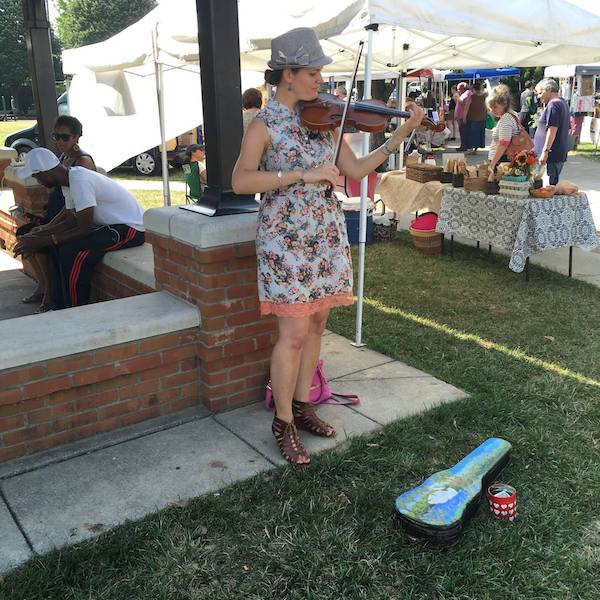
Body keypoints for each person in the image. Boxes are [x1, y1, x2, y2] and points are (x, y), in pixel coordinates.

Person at [232, 27, 424, 466]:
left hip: (324, 233)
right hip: (285, 238)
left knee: (317, 326)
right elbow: (240, 180)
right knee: (294, 333)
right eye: (313, 72)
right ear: (287, 75)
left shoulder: (323, 122)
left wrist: (402, 133)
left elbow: (355, 169)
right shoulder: (264, 124)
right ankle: (282, 421)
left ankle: (303, 408)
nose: (321, 80)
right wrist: (299, 175)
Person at [13, 148, 145, 309]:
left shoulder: (80, 180)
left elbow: (84, 229)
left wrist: (45, 239)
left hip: (130, 228)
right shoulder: (68, 181)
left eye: (36, 175)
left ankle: (75, 308)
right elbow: (70, 220)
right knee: (56, 248)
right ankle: (58, 302)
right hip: (111, 226)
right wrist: (39, 235)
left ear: (46, 172)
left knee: (72, 252)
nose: (38, 180)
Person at [18, 115, 96, 312]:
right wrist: (45, 228)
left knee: (53, 246)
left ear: (77, 137)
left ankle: (54, 295)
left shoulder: (81, 165)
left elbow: (82, 215)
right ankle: (45, 286)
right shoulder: (61, 160)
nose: (60, 141)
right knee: (28, 234)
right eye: (56, 136)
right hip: (65, 213)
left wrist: (48, 235)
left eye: (65, 137)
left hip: (79, 215)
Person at [534, 78, 570, 185]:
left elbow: (552, 131)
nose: (538, 96)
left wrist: (545, 153)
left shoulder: (553, 105)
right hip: (556, 152)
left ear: (548, 90)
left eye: (540, 93)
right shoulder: (562, 102)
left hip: (551, 155)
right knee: (551, 184)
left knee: (548, 187)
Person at [486, 84, 521, 173]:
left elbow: (503, 143)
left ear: (504, 104)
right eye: (491, 108)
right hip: (505, 159)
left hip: (502, 161)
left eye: (495, 107)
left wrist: (492, 164)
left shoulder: (506, 118)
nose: (492, 111)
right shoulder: (513, 114)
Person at [462, 81, 487, 154]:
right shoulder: (484, 96)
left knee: (472, 134)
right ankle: (476, 149)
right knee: (479, 134)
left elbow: (466, 107)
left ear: (473, 88)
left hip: (472, 118)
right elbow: (486, 107)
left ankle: (472, 149)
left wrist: (464, 117)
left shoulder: (472, 97)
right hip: (482, 118)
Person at [454, 82, 470, 150]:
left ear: (462, 88)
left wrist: (457, 98)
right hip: (460, 116)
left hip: (462, 116)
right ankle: (463, 145)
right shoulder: (464, 94)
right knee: (462, 132)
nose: (458, 91)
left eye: (458, 89)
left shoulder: (467, 93)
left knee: (463, 132)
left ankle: (464, 146)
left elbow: (464, 103)